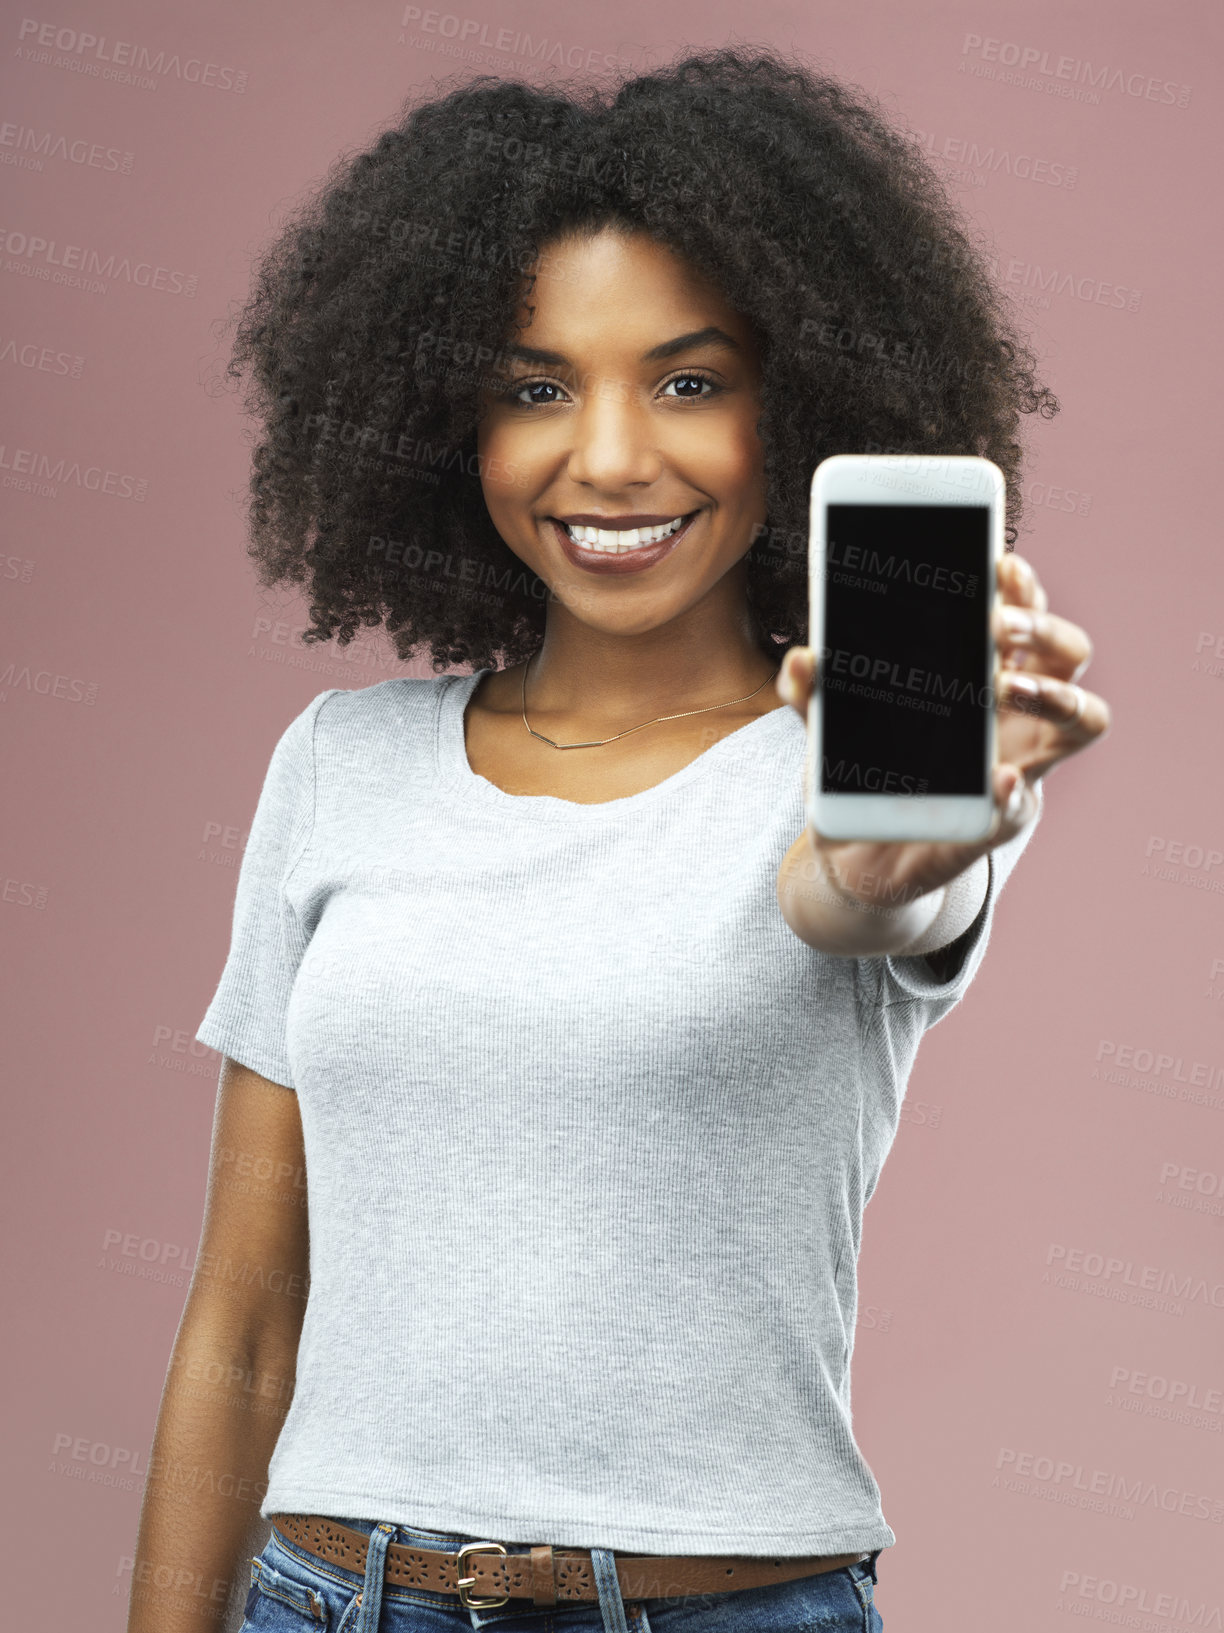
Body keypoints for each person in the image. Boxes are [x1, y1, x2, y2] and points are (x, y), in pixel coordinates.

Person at [127, 45, 1108, 1633]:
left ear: (794, 409)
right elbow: (240, 1322)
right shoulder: (339, 768)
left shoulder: (857, 771)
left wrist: (918, 835)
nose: (608, 454)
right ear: (451, 426)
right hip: (329, 1604)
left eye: (689, 378)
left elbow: (858, 889)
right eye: (535, 387)